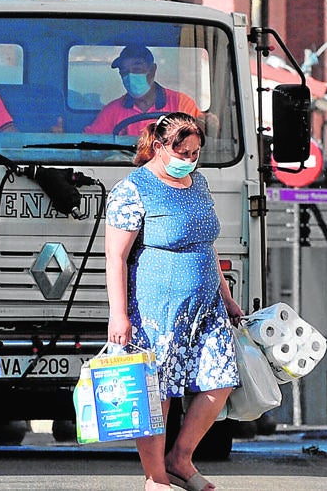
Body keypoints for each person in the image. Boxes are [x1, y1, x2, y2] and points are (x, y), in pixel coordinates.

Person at [104, 112, 244, 491]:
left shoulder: (197, 183)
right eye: (183, 151)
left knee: (220, 381)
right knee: (158, 393)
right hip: (156, 309)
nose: (190, 159)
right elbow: (115, 256)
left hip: (206, 307)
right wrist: (119, 315)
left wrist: (227, 297)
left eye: (196, 152)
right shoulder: (133, 190)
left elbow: (207, 244)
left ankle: (180, 458)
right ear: (159, 146)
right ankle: (156, 477)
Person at [84, 44, 203, 137]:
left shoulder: (181, 104)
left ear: (152, 70)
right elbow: (89, 144)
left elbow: (200, 135)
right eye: (125, 72)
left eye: (137, 69)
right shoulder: (112, 111)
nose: (130, 77)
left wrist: (210, 124)